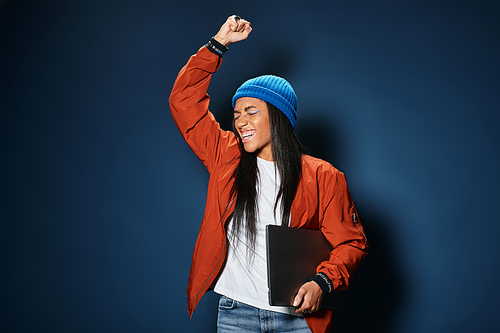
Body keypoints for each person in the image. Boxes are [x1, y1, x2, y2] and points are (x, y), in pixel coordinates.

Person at [169, 15, 369, 333]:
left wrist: (323, 282)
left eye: (251, 112)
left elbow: (351, 243)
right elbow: (183, 101)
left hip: (298, 319)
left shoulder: (323, 176)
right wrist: (216, 45)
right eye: (236, 114)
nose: (240, 122)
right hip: (236, 314)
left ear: (278, 117)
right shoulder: (225, 156)